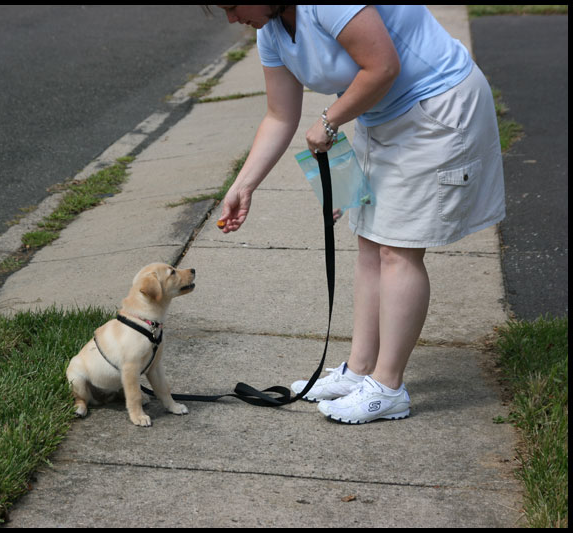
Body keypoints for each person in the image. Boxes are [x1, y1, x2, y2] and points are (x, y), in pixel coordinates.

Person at [215, 6, 506, 423]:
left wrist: (330, 120)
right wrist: (243, 186)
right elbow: (280, 114)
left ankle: (388, 388)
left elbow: (383, 66)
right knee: (369, 243)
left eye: (231, 6)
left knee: (398, 250)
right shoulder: (272, 31)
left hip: (436, 107)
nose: (231, 19)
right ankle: (361, 369)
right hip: (378, 115)